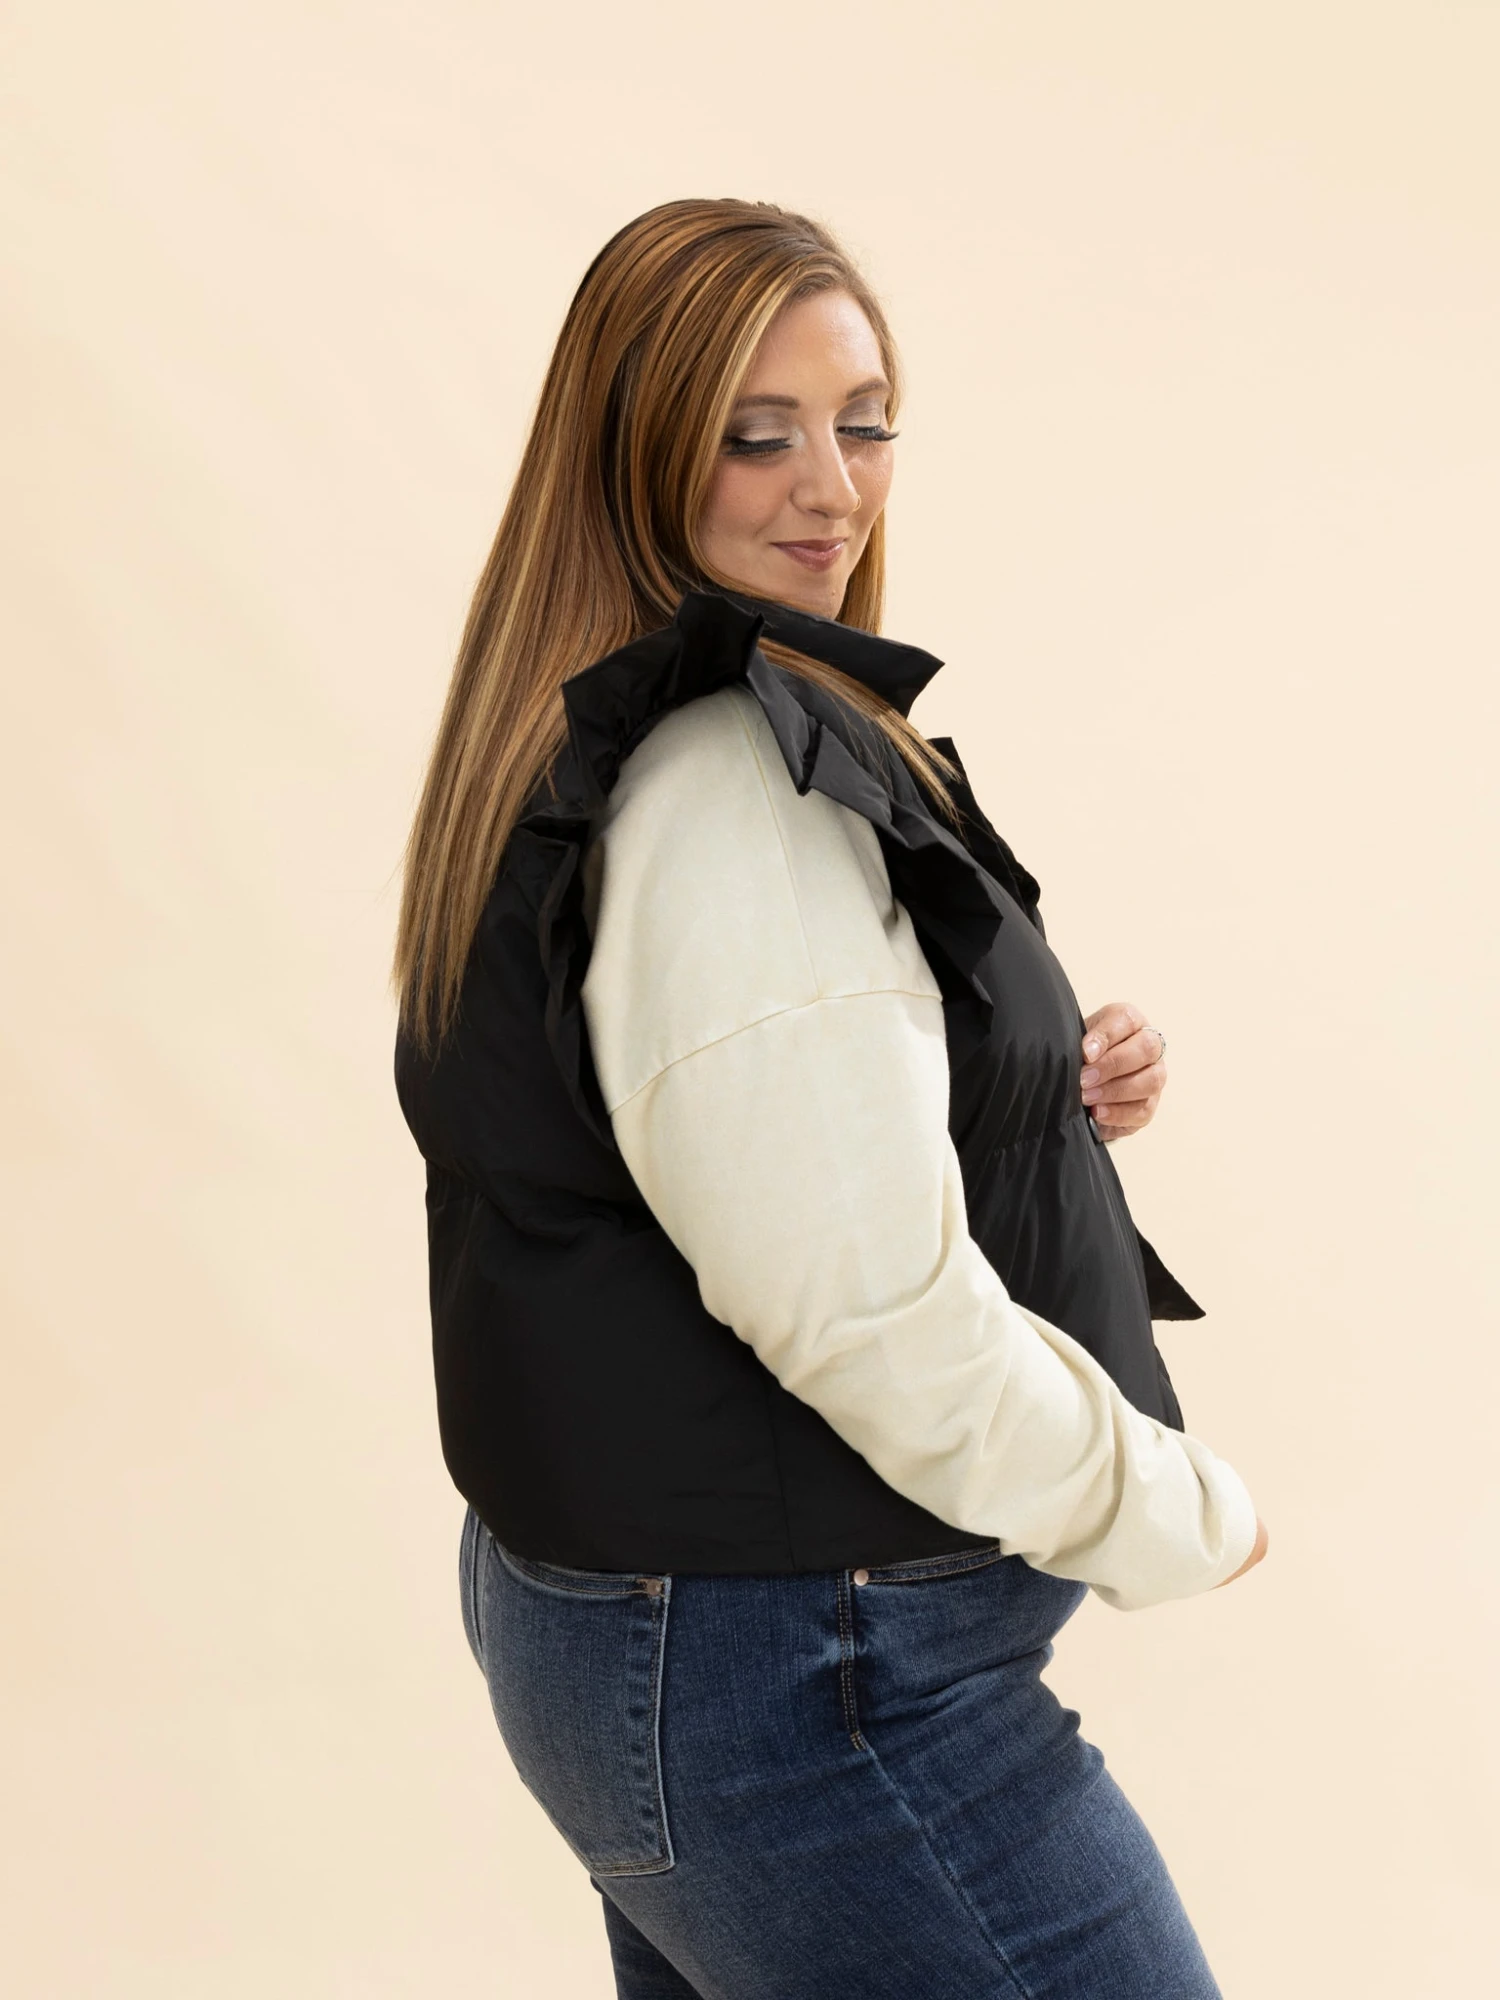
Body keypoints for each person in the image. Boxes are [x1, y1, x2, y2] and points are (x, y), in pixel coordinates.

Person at [391, 197, 1268, 2000]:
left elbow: (706, 1119)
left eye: (864, 422)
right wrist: (1171, 1510)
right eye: (754, 432)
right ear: (634, 445)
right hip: (813, 1683)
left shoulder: (611, 737)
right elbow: (862, 1308)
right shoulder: (736, 784)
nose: (832, 487)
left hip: (684, 1647)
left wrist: (1009, 1088)